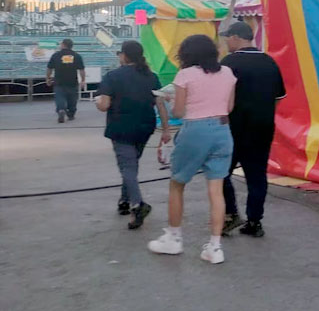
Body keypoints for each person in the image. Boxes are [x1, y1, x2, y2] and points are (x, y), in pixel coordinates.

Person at [147, 34, 236, 264]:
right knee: (216, 189)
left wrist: (169, 99)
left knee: (177, 183)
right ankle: (215, 248)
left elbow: (177, 113)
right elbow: (229, 106)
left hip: (195, 130)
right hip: (222, 130)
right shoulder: (227, 73)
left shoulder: (185, 75)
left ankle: (173, 239)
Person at [219, 21, 285, 238]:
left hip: (233, 129)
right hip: (262, 128)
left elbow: (221, 99)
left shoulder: (228, 63)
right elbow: (278, 99)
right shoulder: (269, 62)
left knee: (220, 173)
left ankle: (230, 214)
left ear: (237, 37)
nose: (226, 42)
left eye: (228, 37)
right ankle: (255, 221)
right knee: (257, 176)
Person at [95, 40, 170, 229]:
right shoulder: (151, 76)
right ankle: (124, 200)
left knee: (127, 166)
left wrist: (98, 102)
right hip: (145, 127)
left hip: (121, 128)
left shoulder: (112, 76)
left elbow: (103, 105)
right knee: (131, 164)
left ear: (124, 55)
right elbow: (160, 103)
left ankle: (138, 205)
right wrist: (166, 129)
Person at [45, 38, 85, 123]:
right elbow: (81, 70)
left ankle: (61, 110)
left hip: (59, 81)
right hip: (72, 82)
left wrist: (48, 78)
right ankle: (71, 114)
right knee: (72, 99)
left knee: (59, 97)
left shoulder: (56, 55)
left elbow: (49, 68)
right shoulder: (76, 56)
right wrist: (83, 80)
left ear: (63, 44)